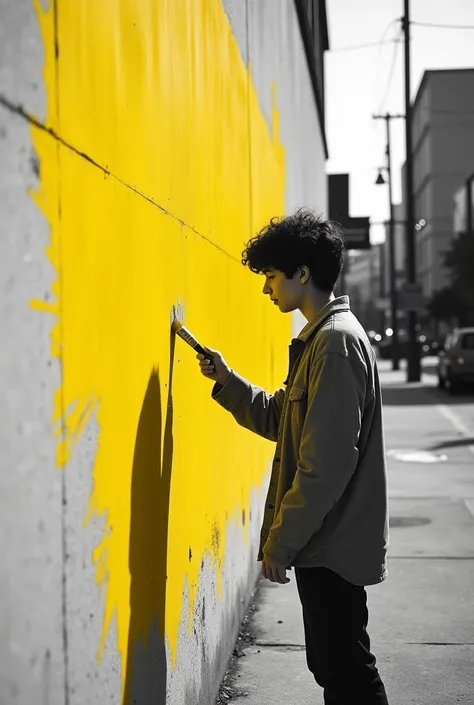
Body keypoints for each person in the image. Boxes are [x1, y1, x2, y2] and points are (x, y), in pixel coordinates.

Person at [196, 209, 389, 705]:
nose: (266, 289)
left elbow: (324, 465)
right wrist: (226, 379)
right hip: (328, 540)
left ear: (302, 274)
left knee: (346, 671)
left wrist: (280, 544)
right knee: (334, 665)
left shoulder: (334, 344)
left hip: (333, 543)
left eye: (271, 276)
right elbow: (284, 419)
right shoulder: (322, 340)